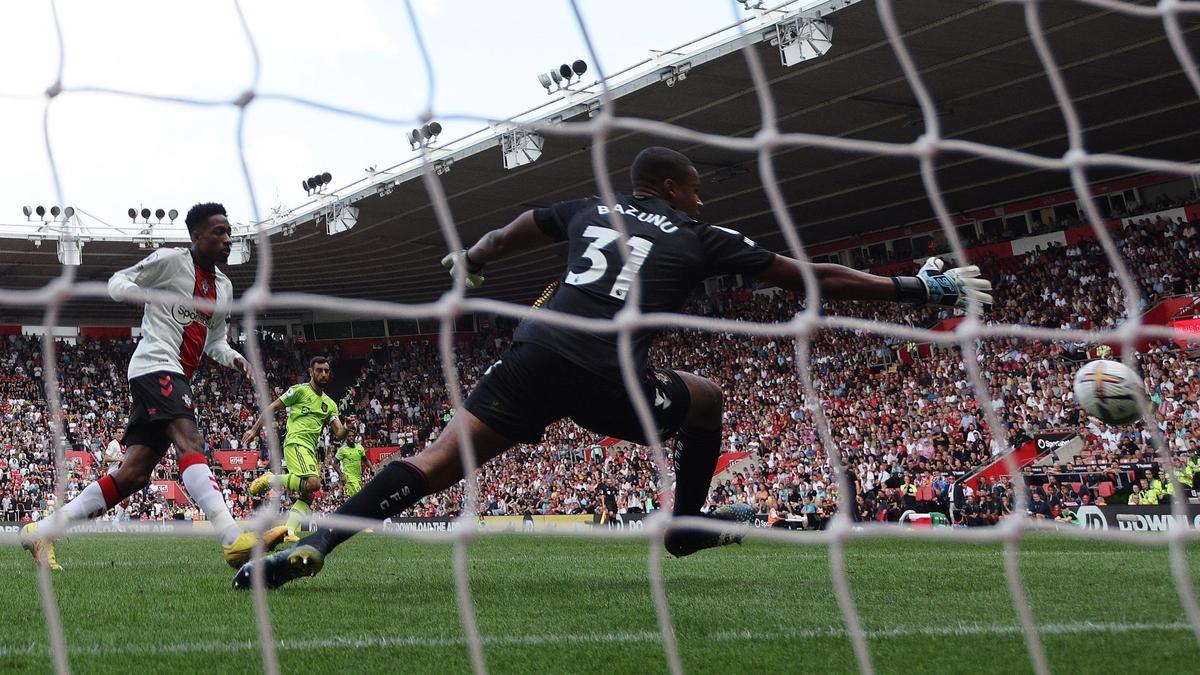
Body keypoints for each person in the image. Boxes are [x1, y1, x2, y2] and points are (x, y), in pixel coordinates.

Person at [235, 146, 993, 589]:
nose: (700, 194)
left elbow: (507, 232)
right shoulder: (702, 235)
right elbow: (811, 277)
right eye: (694, 183)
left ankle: (324, 539)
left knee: (433, 462)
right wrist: (914, 287)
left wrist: (471, 259)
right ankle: (686, 525)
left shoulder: (586, 208)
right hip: (607, 376)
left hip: (535, 354)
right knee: (708, 398)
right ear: (668, 186)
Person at [22, 203, 287, 570]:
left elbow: (215, 342)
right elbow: (118, 280)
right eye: (218, 232)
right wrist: (137, 293)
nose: (227, 240)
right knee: (189, 442)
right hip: (155, 365)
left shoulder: (223, 288)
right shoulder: (170, 261)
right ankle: (231, 538)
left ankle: (43, 531)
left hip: (174, 371)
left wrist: (234, 358)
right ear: (196, 236)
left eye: (229, 233)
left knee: (134, 474)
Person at [243, 356, 348, 542]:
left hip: (310, 450)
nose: (323, 374)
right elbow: (272, 407)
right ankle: (271, 479)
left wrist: (347, 428)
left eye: (326, 371)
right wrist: (254, 429)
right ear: (311, 372)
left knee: (308, 495)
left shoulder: (330, 404)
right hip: (296, 443)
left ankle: (289, 531)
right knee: (314, 484)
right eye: (319, 370)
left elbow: (339, 433)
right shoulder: (299, 391)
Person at [333, 430, 371, 498]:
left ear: (355, 437)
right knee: (359, 496)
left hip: (358, 477)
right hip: (349, 477)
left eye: (352, 436)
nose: (351, 437)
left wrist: (372, 467)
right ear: (346, 437)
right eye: (349, 436)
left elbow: (365, 460)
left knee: (355, 498)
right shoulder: (342, 450)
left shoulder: (360, 448)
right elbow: (335, 463)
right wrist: (341, 475)